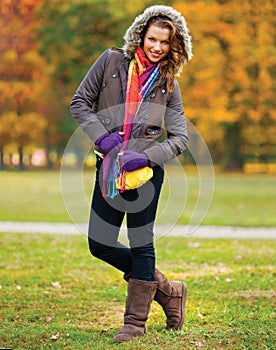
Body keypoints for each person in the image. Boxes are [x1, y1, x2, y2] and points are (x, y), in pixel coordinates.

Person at [70, 5, 192, 343]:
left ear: (173, 45)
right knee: (100, 243)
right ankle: (167, 291)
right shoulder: (110, 62)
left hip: (145, 178)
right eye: (153, 38)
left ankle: (135, 324)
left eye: (165, 42)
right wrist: (102, 137)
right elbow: (80, 102)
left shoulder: (169, 85)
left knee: (141, 243)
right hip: (108, 169)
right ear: (141, 35)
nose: (157, 47)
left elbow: (181, 137)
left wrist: (147, 158)